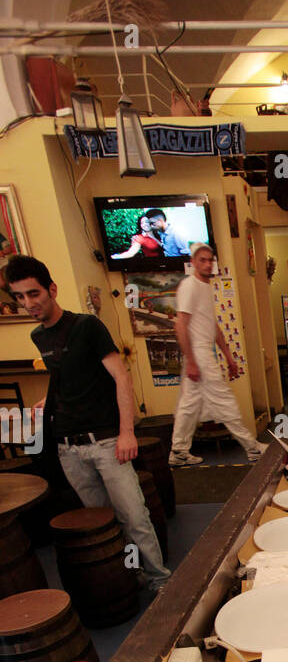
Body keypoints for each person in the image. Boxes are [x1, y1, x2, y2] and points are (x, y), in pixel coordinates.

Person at [6, 254, 170, 592]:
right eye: (20, 297)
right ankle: (134, 573)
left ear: (52, 290)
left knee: (134, 517)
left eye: (34, 293)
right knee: (105, 523)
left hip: (107, 442)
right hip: (68, 449)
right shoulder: (39, 336)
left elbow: (121, 378)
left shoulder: (87, 327)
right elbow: (65, 377)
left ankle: (159, 580)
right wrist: (49, 402)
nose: (28, 303)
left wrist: (127, 432)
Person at [169, 243, 264, 466]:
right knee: (224, 401)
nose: (207, 264)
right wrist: (192, 361)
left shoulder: (206, 287)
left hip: (203, 352)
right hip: (198, 353)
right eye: (202, 260)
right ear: (193, 262)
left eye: (209, 260)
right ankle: (252, 448)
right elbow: (180, 325)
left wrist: (229, 357)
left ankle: (179, 450)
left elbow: (213, 327)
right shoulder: (189, 286)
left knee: (189, 404)